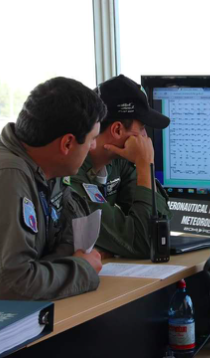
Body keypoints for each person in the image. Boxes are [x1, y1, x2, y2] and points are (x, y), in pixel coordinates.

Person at [0, 77, 107, 301]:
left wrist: (64, 264)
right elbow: (8, 286)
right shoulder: (4, 176)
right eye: (92, 139)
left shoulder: (44, 171)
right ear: (67, 143)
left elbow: (69, 243)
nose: (93, 147)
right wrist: (81, 269)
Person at [67, 74, 171, 259]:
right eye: (141, 128)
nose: (145, 137)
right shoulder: (70, 172)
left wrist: (143, 168)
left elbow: (160, 229)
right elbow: (145, 243)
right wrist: (145, 165)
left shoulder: (119, 161)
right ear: (117, 130)